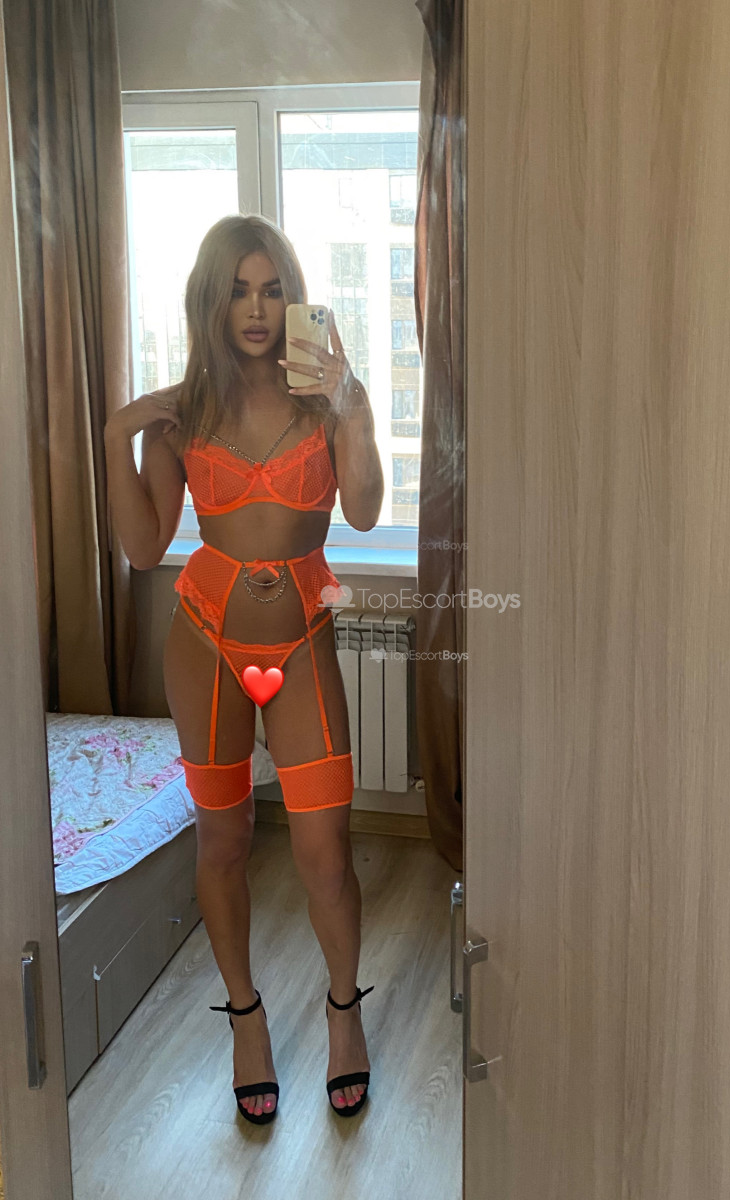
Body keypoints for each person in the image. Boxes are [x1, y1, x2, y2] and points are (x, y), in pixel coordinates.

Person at [104, 213, 384, 1124]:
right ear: (212, 302)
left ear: (292, 299)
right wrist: (115, 434)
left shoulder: (324, 401)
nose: (256, 309)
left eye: (271, 290)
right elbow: (145, 549)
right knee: (222, 843)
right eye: (237, 291)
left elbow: (366, 511)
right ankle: (246, 1019)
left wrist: (355, 403)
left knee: (323, 850)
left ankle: (344, 1012)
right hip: (206, 643)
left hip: (300, 644)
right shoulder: (183, 416)